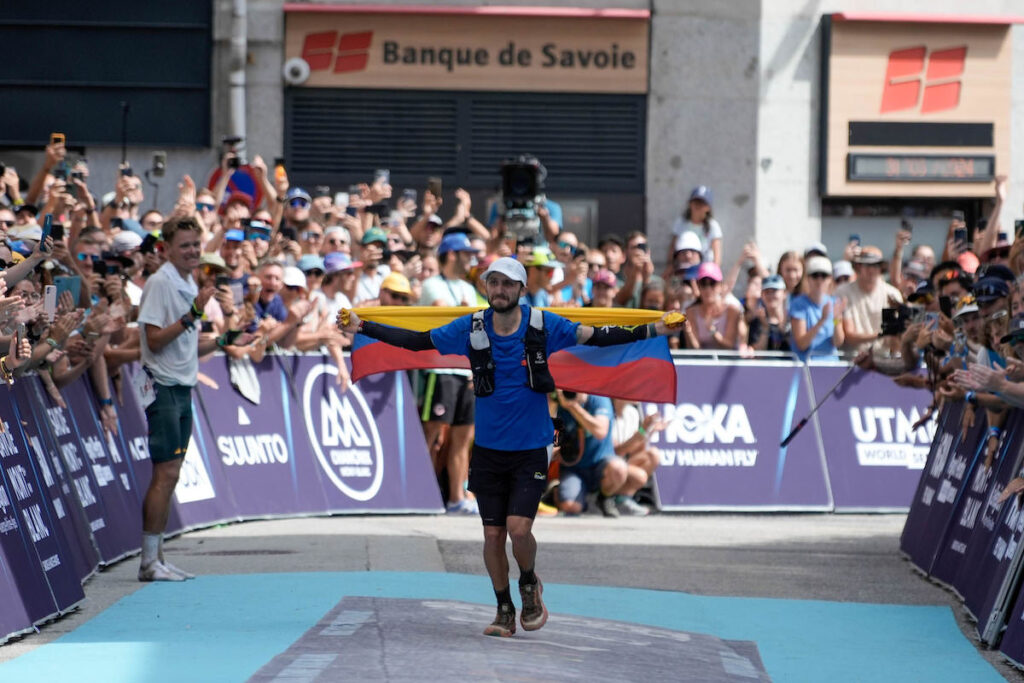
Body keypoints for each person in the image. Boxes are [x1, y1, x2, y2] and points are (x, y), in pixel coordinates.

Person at [338, 256, 683, 637]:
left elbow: (597, 337)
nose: (500, 290)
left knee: (519, 530)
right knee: (491, 536)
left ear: (520, 289)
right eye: (494, 282)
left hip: (531, 448)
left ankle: (529, 584)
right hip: (488, 450)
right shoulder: (469, 328)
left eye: (508, 283)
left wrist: (654, 328)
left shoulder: (544, 324)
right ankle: (503, 607)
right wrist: (363, 326)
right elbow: (418, 343)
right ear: (487, 287)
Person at [136, 216, 219, 581]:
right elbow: (154, 339)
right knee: (164, 473)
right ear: (166, 249)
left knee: (172, 474)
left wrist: (226, 341)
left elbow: (186, 341)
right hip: (163, 386)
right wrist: (194, 314)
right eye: (184, 245)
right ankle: (148, 562)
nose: (192, 251)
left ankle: (158, 558)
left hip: (183, 387)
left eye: (195, 245)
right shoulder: (159, 283)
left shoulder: (188, 281)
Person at [419, 232, 479, 514]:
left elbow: (478, 320)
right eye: (466, 253)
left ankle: (457, 497)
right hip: (438, 368)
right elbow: (446, 316)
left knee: (462, 437)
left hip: (465, 370)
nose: (471, 259)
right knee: (430, 433)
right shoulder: (432, 285)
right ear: (452, 254)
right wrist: (467, 315)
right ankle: (421, 494)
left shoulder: (468, 288)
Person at [789, 256, 845, 361]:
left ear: (830, 279)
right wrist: (822, 320)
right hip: (806, 367)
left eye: (824, 276)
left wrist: (837, 320)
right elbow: (802, 344)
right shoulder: (798, 304)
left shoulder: (834, 302)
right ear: (807, 278)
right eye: (815, 275)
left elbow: (837, 342)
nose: (819, 280)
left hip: (830, 366)